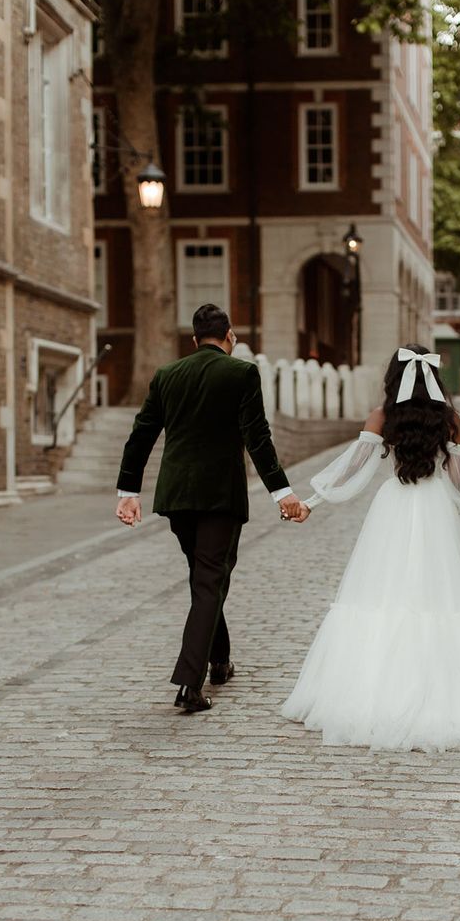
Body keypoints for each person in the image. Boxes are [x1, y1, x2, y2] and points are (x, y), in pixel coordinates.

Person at [282, 344, 460, 751]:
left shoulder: (382, 418)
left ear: (394, 379)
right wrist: (455, 454)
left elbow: (354, 467)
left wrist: (312, 501)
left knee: (383, 594)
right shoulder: (449, 420)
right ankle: (438, 691)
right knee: (435, 599)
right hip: (434, 511)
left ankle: (374, 690)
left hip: (393, 508)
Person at [116, 304, 303, 713]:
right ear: (230, 336)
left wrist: (128, 491)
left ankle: (220, 662)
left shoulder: (167, 375)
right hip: (220, 496)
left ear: (194, 339)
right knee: (209, 582)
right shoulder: (241, 373)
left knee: (205, 578)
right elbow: (258, 436)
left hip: (178, 496)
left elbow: (141, 435)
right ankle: (189, 682)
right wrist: (282, 492)